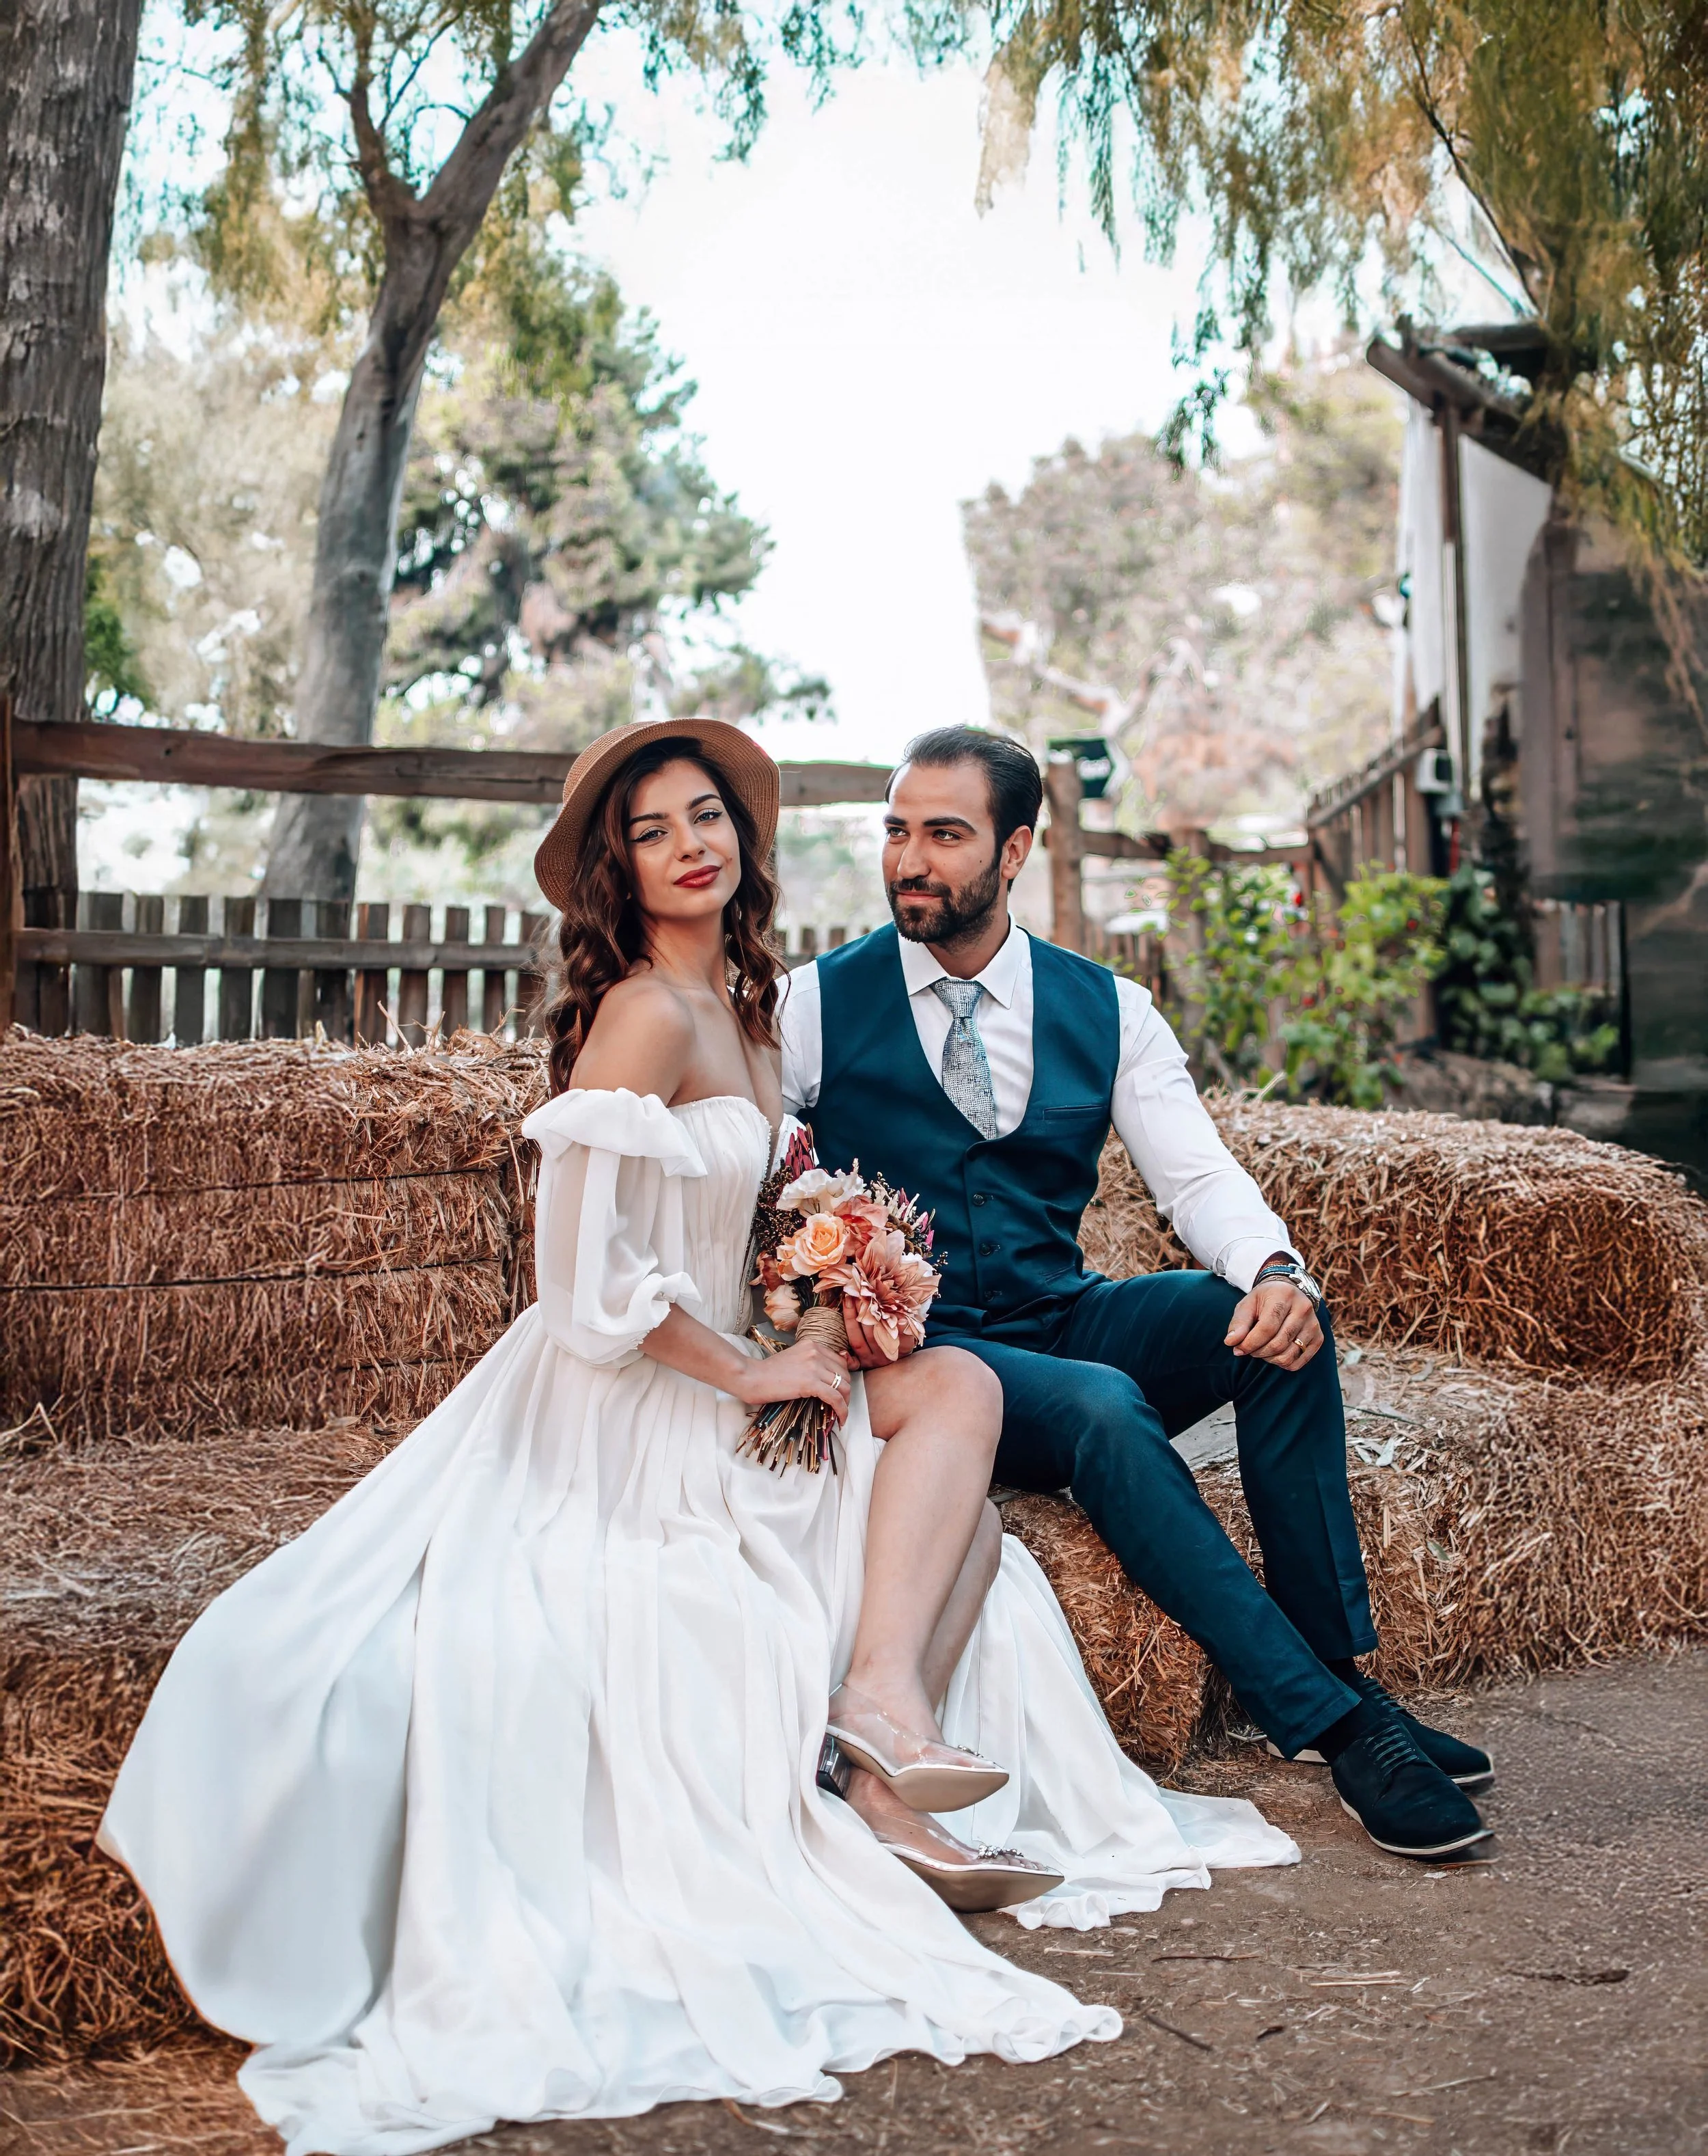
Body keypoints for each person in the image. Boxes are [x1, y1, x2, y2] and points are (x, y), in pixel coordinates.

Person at [98, 718, 1297, 2156]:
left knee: (962, 1407)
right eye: (658, 828)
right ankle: (879, 1766)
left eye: (710, 815)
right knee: (941, 1508)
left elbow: (745, 1215)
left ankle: (874, 1716)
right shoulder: (647, 1017)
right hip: (624, 1387)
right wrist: (741, 1369)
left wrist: (823, 1292)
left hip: (730, 1345)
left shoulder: (742, 1004)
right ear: (622, 864)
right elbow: (577, 1279)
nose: (694, 843)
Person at [782, 724, 1496, 1864]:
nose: (910, 860)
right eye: (898, 831)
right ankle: (1334, 1724)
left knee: (1276, 1329)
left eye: (945, 834)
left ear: (1014, 850)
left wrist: (1274, 1271)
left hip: (1058, 1309)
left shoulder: (1108, 1006)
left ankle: (1335, 1667)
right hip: (929, 1363)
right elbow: (755, 1177)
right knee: (1106, 1406)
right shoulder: (814, 1005)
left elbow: (1198, 1174)